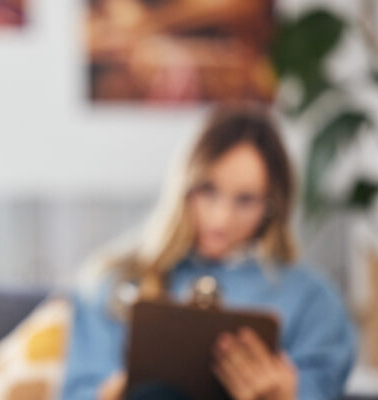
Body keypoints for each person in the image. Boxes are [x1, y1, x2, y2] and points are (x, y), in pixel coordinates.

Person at [62, 104, 356, 400]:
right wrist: (132, 381)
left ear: (273, 206)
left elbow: (322, 388)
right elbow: (79, 392)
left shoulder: (313, 299)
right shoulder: (114, 280)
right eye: (207, 190)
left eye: (245, 200)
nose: (221, 218)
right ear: (182, 187)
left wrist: (284, 394)